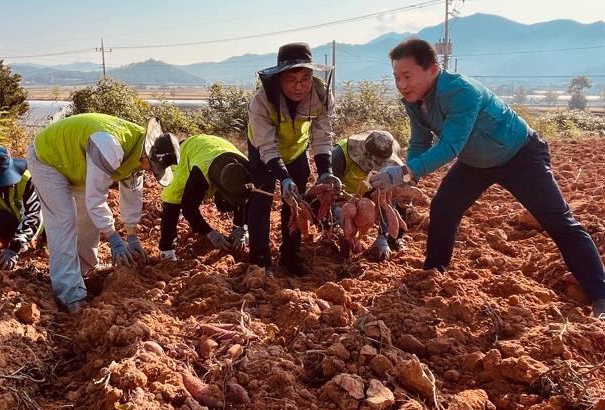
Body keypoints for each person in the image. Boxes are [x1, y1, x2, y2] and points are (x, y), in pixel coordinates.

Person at [370, 38, 605, 319]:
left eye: (407, 76)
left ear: (432, 70)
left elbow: (450, 146)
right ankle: (433, 274)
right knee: (444, 208)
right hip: (475, 162)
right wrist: (408, 173)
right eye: (397, 78)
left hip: (520, 155)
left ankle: (600, 295)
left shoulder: (460, 91)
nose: (402, 84)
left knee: (558, 222)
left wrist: (404, 172)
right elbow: (421, 141)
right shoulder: (413, 101)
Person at [26, 114, 179, 313]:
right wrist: (114, 238)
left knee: (88, 217)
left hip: (76, 164)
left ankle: (85, 269)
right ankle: (69, 294)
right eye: (153, 167)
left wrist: (132, 237)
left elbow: (132, 193)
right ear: (147, 155)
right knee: (63, 221)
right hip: (48, 159)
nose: (151, 171)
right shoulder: (110, 146)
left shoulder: (139, 153)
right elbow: (96, 200)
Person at [247, 42, 340, 277]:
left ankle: (290, 256)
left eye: (305, 78)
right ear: (279, 78)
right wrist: (283, 177)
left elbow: (322, 136)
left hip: (297, 150)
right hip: (262, 152)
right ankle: (260, 260)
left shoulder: (321, 95)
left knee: (297, 203)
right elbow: (266, 146)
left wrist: (325, 170)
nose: (300, 86)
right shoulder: (262, 100)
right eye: (292, 79)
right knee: (262, 201)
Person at [158, 134, 250, 261]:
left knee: (236, 190)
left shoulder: (245, 171)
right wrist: (210, 234)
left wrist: (241, 229)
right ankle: (166, 251)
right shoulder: (200, 176)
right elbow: (188, 208)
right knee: (173, 199)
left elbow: (246, 199)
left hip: (216, 148)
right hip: (186, 153)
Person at [332, 130, 407, 260]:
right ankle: (335, 230)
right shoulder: (340, 153)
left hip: (371, 192)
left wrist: (382, 237)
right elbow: (329, 187)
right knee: (318, 202)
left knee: (395, 199)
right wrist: (342, 214)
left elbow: (387, 196)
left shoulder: (392, 157)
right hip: (341, 192)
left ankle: (389, 240)